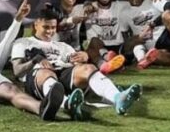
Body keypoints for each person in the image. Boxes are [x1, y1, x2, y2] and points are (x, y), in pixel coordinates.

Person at [10, 6, 143, 119]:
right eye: (46, 27)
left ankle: (118, 98)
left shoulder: (62, 46)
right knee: (46, 72)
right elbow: (17, 71)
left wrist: (83, 57)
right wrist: (35, 60)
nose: (50, 31)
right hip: (39, 79)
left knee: (89, 68)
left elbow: (76, 64)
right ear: (36, 25)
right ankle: (67, 104)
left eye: (53, 27)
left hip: (62, 74)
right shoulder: (23, 42)